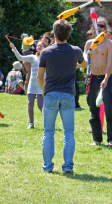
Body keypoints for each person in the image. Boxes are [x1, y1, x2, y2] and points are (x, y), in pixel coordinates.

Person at [37, 19, 87, 174]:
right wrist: (77, 64)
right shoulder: (76, 51)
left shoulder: (45, 52)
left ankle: (48, 166)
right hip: (68, 95)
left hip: (51, 94)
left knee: (48, 132)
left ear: (54, 33)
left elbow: (39, 77)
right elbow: (85, 65)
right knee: (69, 133)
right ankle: (67, 167)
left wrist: (45, 91)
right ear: (69, 34)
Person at [84, 17, 112, 146]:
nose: (99, 28)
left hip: (106, 79)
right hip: (93, 79)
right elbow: (85, 60)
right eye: (97, 26)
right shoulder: (89, 44)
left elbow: (110, 64)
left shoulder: (110, 44)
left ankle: (111, 140)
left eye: (102, 26)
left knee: (109, 109)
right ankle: (97, 139)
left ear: (105, 28)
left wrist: (106, 78)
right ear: (93, 28)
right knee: (93, 111)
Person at [10, 40, 47, 129]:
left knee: (40, 105)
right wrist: (14, 49)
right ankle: (31, 123)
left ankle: (47, 121)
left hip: (41, 84)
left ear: (45, 47)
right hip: (32, 84)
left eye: (41, 46)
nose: (39, 47)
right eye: (38, 46)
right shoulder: (32, 57)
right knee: (30, 103)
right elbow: (20, 58)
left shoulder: (47, 57)